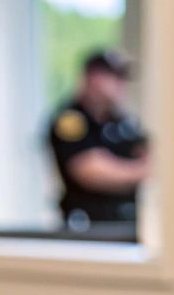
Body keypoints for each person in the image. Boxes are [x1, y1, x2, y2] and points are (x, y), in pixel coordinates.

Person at [49, 49, 150, 230]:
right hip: (88, 227)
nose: (121, 85)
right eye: (115, 78)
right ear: (93, 78)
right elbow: (90, 171)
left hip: (126, 223)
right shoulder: (71, 119)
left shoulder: (122, 122)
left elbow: (147, 153)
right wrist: (141, 171)